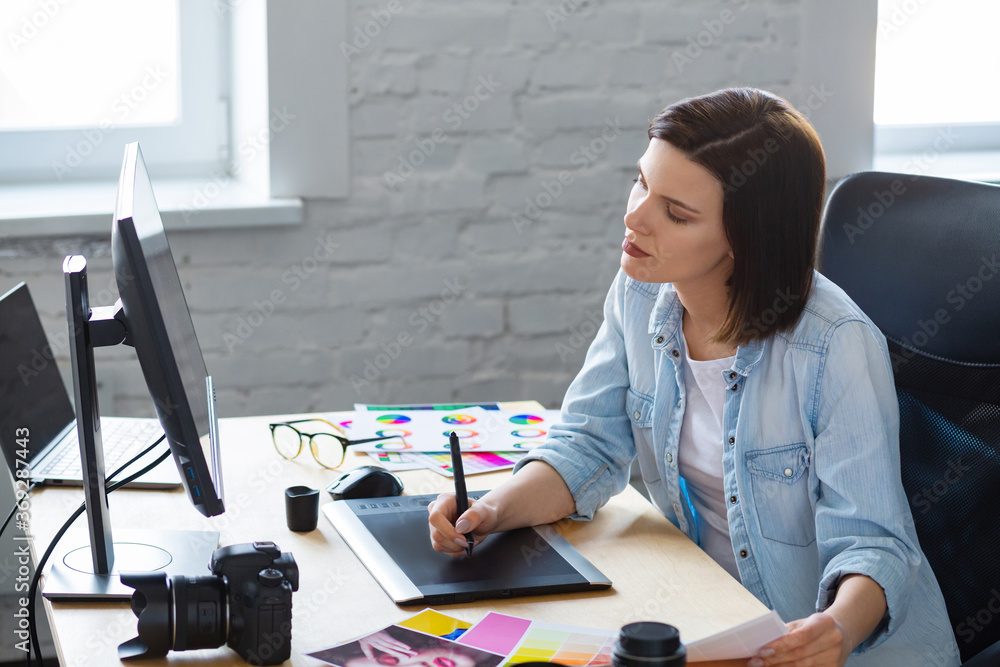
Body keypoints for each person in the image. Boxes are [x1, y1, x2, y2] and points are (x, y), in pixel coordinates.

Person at [428, 88, 961, 667]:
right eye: (640, 183)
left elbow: (873, 545)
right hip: (715, 620)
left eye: (676, 213)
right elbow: (588, 442)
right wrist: (490, 510)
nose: (635, 217)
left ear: (744, 239)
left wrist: (833, 629)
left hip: (832, 653)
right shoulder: (638, 293)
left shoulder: (834, 346)